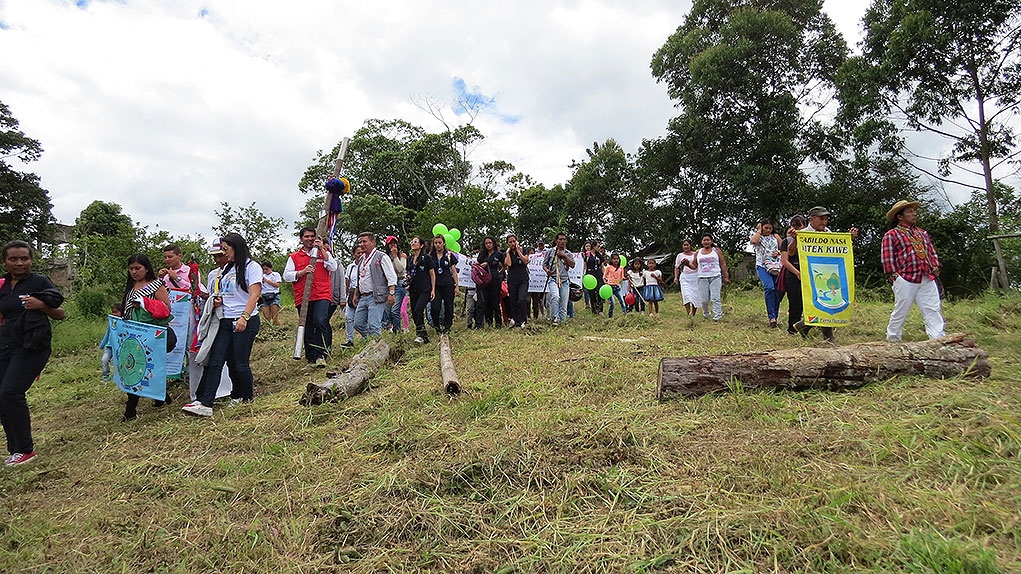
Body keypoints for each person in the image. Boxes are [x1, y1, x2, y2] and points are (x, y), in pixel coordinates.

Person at [0, 240, 66, 466]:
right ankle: (15, 450)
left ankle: (25, 450)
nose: (19, 263)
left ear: (31, 260)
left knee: (11, 392)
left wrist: (42, 305)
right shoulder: (2, 286)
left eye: (24, 258)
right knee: (2, 397)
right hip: (5, 345)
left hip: (32, 345)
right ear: (5, 262)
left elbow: (60, 314)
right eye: (13, 259)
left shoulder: (39, 281)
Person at [182, 233, 261, 417]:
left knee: (239, 363)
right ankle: (205, 403)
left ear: (236, 247)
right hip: (224, 320)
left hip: (244, 320)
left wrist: (244, 317)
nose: (223, 253)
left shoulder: (251, 267)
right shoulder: (226, 269)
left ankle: (247, 398)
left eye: (226, 249)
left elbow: (254, 295)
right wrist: (216, 301)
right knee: (214, 361)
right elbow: (223, 292)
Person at [791, 206, 859, 343]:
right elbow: (791, 252)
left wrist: (849, 238)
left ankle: (805, 326)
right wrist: (795, 239)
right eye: (821, 219)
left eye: (826, 219)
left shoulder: (829, 233)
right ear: (811, 219)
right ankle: (826, 336)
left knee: (829, 300)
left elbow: (839, 248)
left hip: (828, 271)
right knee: (816, 301)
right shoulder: (802, 234)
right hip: (810, 273)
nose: (824, 222)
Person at [120, 253, 174, 421]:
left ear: (146, 268)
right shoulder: (131, 287)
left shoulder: (156, 285)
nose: (134, 272)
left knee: (141, 368)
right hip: (133, 335)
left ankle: (130, 410)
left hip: (153, 335)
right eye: (131, 269)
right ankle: (161, 396)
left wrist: (145, 305)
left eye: (138, 268)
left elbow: (167, 309)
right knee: (137, 369)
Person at [882, 200, 946, 342]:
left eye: (914, 211)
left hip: (926, 276)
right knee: (901, 309)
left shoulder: (922, 233)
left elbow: (931, 251)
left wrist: (935, 265)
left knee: (932, 308)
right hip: (905, 277)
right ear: (900, 216)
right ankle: (893, 338)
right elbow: (887, 257)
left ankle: (938, 338)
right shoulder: (892, 235)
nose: (914, 214)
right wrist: (894, 275)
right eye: (909, 212)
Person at [284, 227, 339, 367]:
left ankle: (322, 354)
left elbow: (333, 267)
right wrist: (301, 272)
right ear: (301, 239)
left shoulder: (323, 253)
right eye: (306, 236)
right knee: (307, 325)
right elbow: (286, 276)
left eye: (312, 236)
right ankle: (311, 356)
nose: (309, 239)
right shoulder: (294, 257)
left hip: (322, 294)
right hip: (303, 296)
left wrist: (322, 250)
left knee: (320, 320)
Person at [352, 232, 397, 339]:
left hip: (376, 296)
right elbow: (360, 278)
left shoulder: (381, 256)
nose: (362, 244)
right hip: (363, 296)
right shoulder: (362, 259)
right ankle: (371, 339)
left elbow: (391, 276)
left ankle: (375, 344)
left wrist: (391, 293)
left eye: (364, 241)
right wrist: (356, 294)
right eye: (360, 242)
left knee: (373, 324)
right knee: (358, 323)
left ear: (372, 242)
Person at [751, 220, 784, 328]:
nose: (768, 230)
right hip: (762, 265)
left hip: (776, 266)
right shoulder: (758, 236)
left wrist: (778, 253)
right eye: (766, 228)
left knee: (777, 291)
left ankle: (774, 317)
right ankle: (772, 317)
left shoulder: (775, 236)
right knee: (769, 288)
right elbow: (753, 241)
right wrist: (759, 230)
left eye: (770, 228)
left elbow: (783, 248)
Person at [407, 237, 436, 343]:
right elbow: (409, 273)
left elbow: (432, 274)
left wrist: (433, 289)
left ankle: (423, 335)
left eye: (416, 242)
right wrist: (407, 280)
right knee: (414, 312)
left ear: (421, 245)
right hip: (413, 289)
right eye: (412, 242)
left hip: (425, 288)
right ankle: (420, 333)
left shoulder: (426, 258)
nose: (413, 243)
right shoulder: (409, 259)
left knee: (419, 309)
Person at [543, 232, 576, 324]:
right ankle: (555, 317)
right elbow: (544, 264)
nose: (562, 241)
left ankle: (562, 321)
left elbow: (572, 265)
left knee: (564, 302)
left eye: (564, 239)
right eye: (560, 239)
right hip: (553, 278)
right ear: (556, 241)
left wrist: (564, 256)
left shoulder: (568, 253)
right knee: (555, 297)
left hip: (564, 280)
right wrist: (547, 270)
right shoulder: (550, 252)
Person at [695, 234, 729, 321]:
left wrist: (726, 276)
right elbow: (694, 265)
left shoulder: (716, 250)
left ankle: (717, 316)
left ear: (711, 241)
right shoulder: (698, 252)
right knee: (704, 300)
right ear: (701, 242)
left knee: (715, 297)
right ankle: (706, 314)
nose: (706, 242)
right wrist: (687, 264)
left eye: (708, 240)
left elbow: (722, 263)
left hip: (715, 276)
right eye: (704, 240)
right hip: (702, 278)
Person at [430, 235, 458, 334]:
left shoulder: (449, 255)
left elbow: (454, 271)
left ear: (444, 243)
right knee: (435, 307)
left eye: (439, 243)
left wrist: (456, 286)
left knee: (448, 306)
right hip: (436, 285)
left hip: (448, 284)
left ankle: (447, 327)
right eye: (436, 243)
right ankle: (437, 326)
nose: (438, 245)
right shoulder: (430, 256)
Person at [477, 236, 504, 328]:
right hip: (484, 281)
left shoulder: (498, 254)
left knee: (495, 302)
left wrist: (500, 272)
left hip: (495, 280)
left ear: (493, 243)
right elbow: (477, 265)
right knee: (486, 302)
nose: (488, 245)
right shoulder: (482, 255)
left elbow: (506, 264)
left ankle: (498, 323)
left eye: (490, 243)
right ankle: (489, 322)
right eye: (486, 243)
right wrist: (482, 265)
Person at [503, 234, 530, 328]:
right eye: (510, 242)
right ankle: (516, 321)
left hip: (523, 279)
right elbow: (509, 264)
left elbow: (525, 261)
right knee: (513, 300)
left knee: (521, 299)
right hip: (512, 280)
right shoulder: (507, 253)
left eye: (514, 241)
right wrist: (507, 253)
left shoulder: (524, 250)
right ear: (507, 244)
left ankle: (524, 320)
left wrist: (518, 251)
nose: (512, 243)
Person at [383, 236, 408, 334]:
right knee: (388, 311)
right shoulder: (384, 257)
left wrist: (395, 256)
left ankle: (397, 332)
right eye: (390, 243)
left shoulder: (402, 255)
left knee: (395, 310)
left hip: (399, 282)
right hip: (388, 284)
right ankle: (392, 328)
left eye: (394, 243)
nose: (393, 245)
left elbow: (401, 269)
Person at [339, 245, 361, 348]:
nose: (360, 255)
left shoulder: (366, 265)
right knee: (348, 317)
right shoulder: (351, 267)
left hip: (362, 293)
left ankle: (365, 337)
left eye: (362, 253)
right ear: (353, 254)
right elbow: (347, 282)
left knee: (360, 319)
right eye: (358, 253)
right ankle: (350, 340)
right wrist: (345, 296)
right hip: (352, 293)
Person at [673, 239, 700, 317]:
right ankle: (688, 313)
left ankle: (693, 312)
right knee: (686, 295)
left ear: (690, 246)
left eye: (687, 245)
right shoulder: (680, 255)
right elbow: (677, 267)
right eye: (684, 245)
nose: (686, 246)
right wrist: (676, 277)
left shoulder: (696, 254)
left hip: (695, 276)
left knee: (695, 295)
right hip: (684, 277)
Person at [99, 302, 124, 381]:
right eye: (113, 312)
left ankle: (117, 377)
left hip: (119, 346)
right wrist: (102, 344)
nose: (114, 314)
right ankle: (106, 375)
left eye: (116, 312)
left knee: (118, 363)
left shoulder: (124, 323)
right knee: (104, 360)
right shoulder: (112, 323)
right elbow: (107, 333)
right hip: (109, 346)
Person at [603, 253, 627, 318]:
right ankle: (610, 316)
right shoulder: (608, 267)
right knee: (613, 303)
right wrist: (605, 283)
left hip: (617, 287)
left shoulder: (621, 268)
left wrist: (626, 278)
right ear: (611, 260)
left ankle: (625, 314)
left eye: (617, 259)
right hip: (610, 287)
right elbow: (604, 277)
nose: (616, 260)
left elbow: (622, 278)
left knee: (622, 301)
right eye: (614, 259)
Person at [585, 240, 605, 315]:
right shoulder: (587, 254)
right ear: (593, 246)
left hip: (598, 274)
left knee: (600, 291)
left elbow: (602, 266)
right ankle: (594, 310)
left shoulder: (599, 255)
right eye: (598, 246)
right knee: (592, 293)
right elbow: (585, 265)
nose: (599, 248)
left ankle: (600, 310)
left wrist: (604, 276)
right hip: (590, 274)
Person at [259, 260, 282, 326]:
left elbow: (277, 285)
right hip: (264, 296)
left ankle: (277, 328)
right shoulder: (261, 276)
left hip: (274, 295)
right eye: (263, 269)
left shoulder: (276, 275)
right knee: (267, 318)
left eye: (266, 269)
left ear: (270, 268)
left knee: (274, 317)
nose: (265, 271)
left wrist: (267, 281)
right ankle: (269, 329)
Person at [581, 241, 593, 309]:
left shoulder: (593, 255)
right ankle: (587, 304)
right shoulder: (582, 255)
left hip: (591, 273)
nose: (588, 247)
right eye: (586, 246)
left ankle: (592, 303)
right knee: (585, 290)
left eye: (589, 246)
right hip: (584, 273)